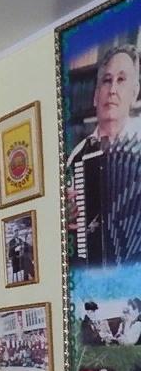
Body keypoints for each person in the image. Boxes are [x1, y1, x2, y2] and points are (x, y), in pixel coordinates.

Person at [67, 44, 141, 264]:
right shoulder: (77, 157)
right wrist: (66, 215)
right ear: (95, 96)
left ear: (135, 93)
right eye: (107, 81)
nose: (112, 90)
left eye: (121, 80)